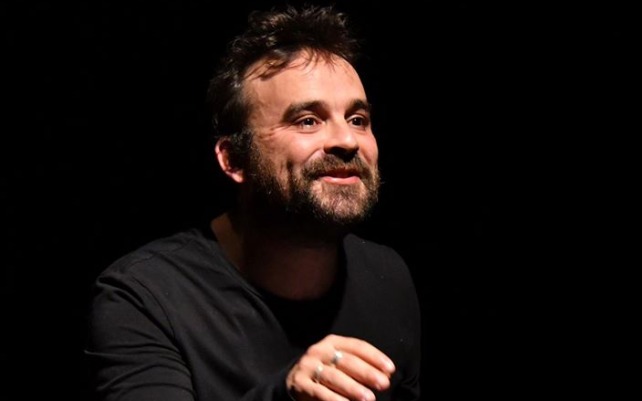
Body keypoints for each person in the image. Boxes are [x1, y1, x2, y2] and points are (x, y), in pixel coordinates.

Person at [84, 4, 420, 401]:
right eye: (307, 120)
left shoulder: (386, 277)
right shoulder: (144, 297)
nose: (347, 141)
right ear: (233, 160)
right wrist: (284, 395)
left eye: (357, 119)